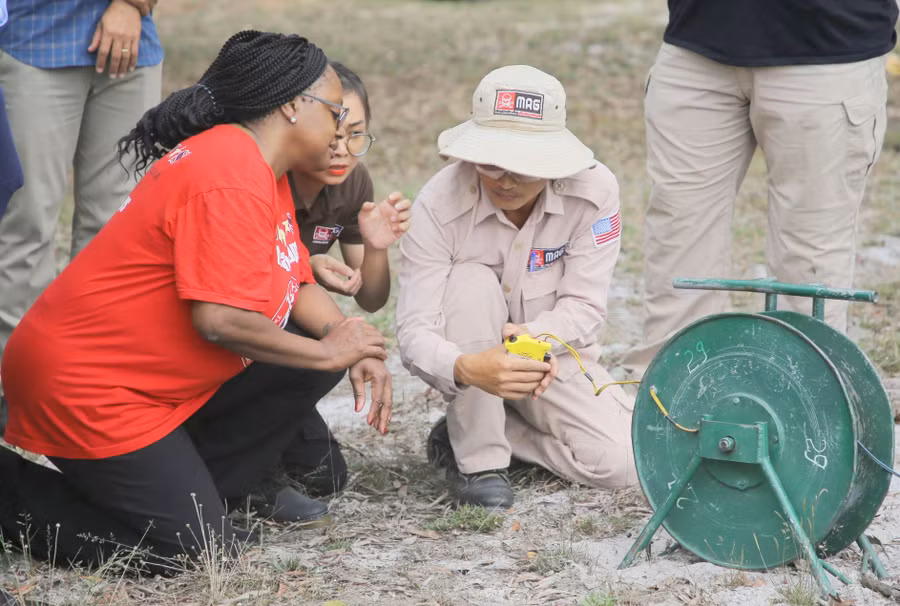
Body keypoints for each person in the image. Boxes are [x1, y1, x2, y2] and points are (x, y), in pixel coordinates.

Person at [0, 30, 392, 572]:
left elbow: (295, 278)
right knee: (195, 554)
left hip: (145, 385)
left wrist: (352, 341)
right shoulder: (227, 171)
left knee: (309, 349)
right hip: (89, 387)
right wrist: (331, 352)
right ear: (292, 107)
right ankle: (10, 491)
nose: (340, 131)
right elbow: (219, 320)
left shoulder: (260, 167)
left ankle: (186, 490)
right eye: (332, 113)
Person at [396, 65, 637, 509]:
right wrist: (470, 368)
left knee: (623, 464)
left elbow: (585, 305)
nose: (506, 179)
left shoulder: (595, 191)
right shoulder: (438, 203)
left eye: (524, 165)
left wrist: (530, 347)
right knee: (469, 280)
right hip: (473, 362)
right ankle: (480, 461)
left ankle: (491, 432)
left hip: (550, 356)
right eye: (491, 162)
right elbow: (414, 332)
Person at [623, 0, 897, 377]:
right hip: (697, 43)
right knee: (678, 239)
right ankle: (669, 407)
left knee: (809, 262)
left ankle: (806, 414)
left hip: (828, 49)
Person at [0, 0, 164, 415]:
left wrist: (131, 4)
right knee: (25, 219)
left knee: (117, 230)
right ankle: (12, 386)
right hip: (30, 38)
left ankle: (92, 381)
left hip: (133, 41)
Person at [273, 61, 411, 500]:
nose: (342, 149)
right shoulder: (269, 176)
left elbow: (370, 298)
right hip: (252, 331)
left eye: (356, 133)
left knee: (324, 477)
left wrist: (376, 246)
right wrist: (306, 264)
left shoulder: (352, 183)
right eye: (332, 132)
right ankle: (245, 470)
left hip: (295, 327)